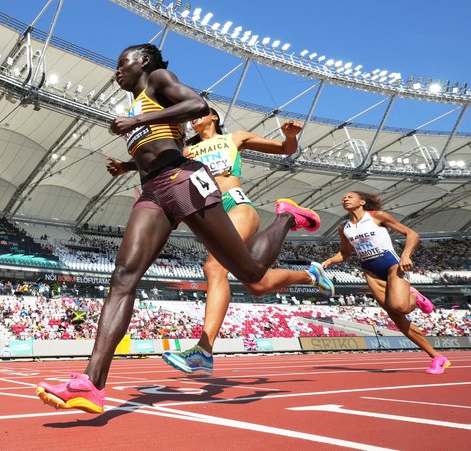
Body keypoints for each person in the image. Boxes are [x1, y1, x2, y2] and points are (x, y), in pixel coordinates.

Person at [36, 43, 320, 414]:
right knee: (123, 277)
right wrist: (126, 165)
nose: (116, 70)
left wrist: (136, 122)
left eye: (122, 62)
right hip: (153, 190)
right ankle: (91, 383)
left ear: (144, 61)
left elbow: (198, 106)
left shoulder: (158, 80)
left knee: (250, 272)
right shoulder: (140, 104)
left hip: (182, 181)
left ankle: (285, 216)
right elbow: (164, 144)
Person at [162, 108, 335, 375]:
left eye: (200, 113)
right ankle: (310, 275)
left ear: (214, 117)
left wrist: (290, 137)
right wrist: (126, 166)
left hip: (234, 204)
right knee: (256, 284)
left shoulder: (235, 137)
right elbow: (160, 168)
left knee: (214, 268)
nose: (193, 117)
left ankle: (203, 352)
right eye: (191, 115)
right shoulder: (185, 151)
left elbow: (284, 149)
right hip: (211, 212)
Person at [321, 191, 448, 374]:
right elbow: (346, 252)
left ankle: (413, 295)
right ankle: (437, 357)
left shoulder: (377, 217)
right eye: (343, 198)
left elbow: (412, 234)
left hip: (392, 266)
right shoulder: (344, 227)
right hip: (371, 272)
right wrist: (330, 261)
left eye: (350, 196)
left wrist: (405, 256)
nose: (345, 199)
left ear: (362, 201)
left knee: (401, 307)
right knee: (397, 319)